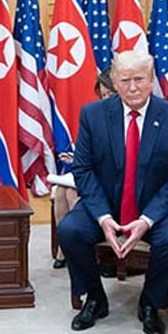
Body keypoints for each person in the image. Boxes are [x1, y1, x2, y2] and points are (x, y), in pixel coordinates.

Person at [57, 51, 168, 334]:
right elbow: (83, 169)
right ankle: (95, 298)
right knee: (69, 230)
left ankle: (151, 303)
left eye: (139, 79)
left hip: (159, 206)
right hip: (108, 202)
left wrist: (147, 220)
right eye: (125, 80)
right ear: (114, 84)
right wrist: (104, 217)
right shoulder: (92, 115)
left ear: (152, 81)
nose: (133, 87)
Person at [51, 68, 117, 269]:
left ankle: (90, 252)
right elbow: (84, 150)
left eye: (110, 94)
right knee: (62, 190)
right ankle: (66, 248)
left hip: (110, 179)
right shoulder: (94, 115)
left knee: (73, 193)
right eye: (103, 95)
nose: (105, 99)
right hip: (91, 172)